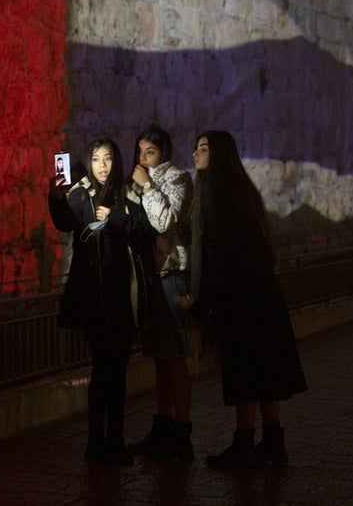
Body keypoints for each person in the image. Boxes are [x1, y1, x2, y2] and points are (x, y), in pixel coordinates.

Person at [180, 130, 308, 468]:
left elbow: (218, 252)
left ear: (218, 155)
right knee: (265, 369)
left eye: (203, 149)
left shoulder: (212, 192)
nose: (195, 154)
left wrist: (201, 301)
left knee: (244, 369)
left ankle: (243, 446)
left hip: (239, 297)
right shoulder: (243, 191)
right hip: (263, 292)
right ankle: (272, 441)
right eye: (196, 148)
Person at [48, 138, 159, 465]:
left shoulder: (126, 196)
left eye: (108, 158)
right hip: (93, 299)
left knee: (117, 371)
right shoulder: (81, 195)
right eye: (96, 158)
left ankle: (115, 440)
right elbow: (65, 222)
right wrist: (56, 198)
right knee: (102, 369)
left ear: (116, 161)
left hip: (122, 297)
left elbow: (144, 235)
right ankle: (96, 443)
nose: (102, 164)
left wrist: (115, 219)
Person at [126, 125, 195, 460]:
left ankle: (182, 431)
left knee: (176, 354)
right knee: (159, 355)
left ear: (163, 152)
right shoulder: (136, 183)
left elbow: (165, 220)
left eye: (149, 152)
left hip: (172, 274)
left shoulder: (178, 179)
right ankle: (163, 423)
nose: (143, 158)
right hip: (149, 278)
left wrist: (148, 186)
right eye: (139, 151)